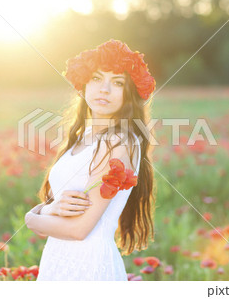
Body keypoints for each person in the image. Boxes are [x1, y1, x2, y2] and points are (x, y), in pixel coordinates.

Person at [25, 39, 157, 281]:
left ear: (129, 94)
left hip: (88, 267)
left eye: (117, 83)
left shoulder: (117, 142)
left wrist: (31, 218)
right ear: (84, 85)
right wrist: (48, 208)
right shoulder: (82, 137)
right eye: (96, 78)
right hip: (58, 260)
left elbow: (78, 229)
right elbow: (58, 206)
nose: (104, 89)